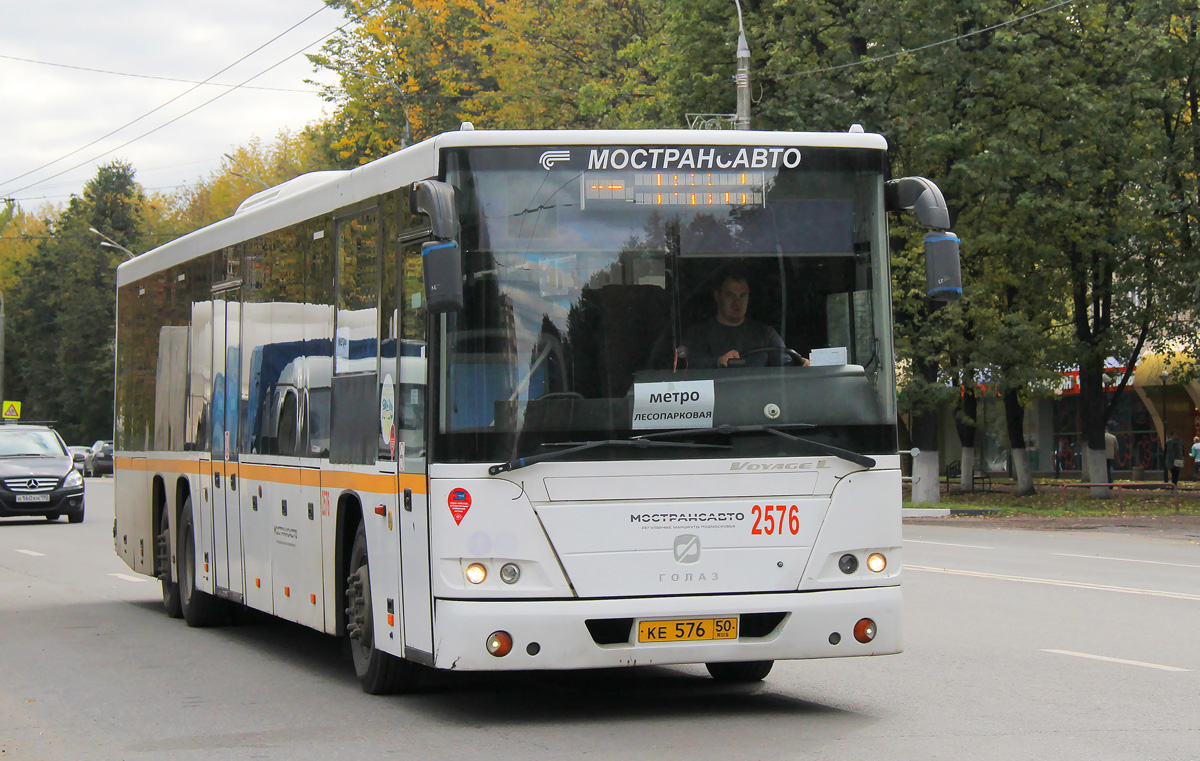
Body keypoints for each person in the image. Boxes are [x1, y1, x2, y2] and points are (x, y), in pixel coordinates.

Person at [681, 273, 804, 368]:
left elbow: (786, 366)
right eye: (730, 295)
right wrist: (718, 362)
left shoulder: (765, 334)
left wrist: (802, 365)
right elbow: (688, 368)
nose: (737, 302)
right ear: (717, 296)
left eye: (743, 295)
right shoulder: (697, 334)